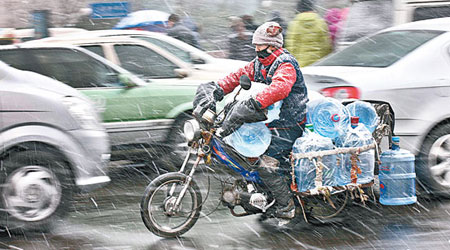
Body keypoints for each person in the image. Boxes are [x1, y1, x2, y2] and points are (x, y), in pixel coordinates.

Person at [193, 22, 308, 219]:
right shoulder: (260, 64)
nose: (256, 49)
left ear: (272, 46)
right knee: (241, 151)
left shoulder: (285, 64)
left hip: (289, 124)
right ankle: (263, 194)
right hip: (268, 121)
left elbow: (279, 88)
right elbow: (237, 77)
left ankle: (286, 206)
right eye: (255, 45)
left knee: (265, 164)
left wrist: (254, 103)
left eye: (260, 45)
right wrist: (217, 90)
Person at [285, 0, 332, 67]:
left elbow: (291, 46)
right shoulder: (321, 22)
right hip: (318, 63)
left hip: (301, 64)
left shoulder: (294, 24)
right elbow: (326, 46)